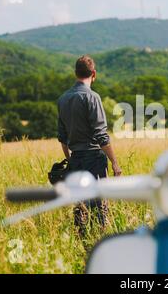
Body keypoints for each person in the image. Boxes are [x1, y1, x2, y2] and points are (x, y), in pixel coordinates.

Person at [57, 55, 122, 237]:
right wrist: (115, 163)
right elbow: (101, 135)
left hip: (76, 158)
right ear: (94, 74)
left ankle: (81, 245)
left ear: (75, 73)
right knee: (99, 209)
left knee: (80, 208)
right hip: (94, 158)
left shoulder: (63, 99)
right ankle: (98, 245)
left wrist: (71, 161)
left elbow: (62, 138)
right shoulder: (93, 98)